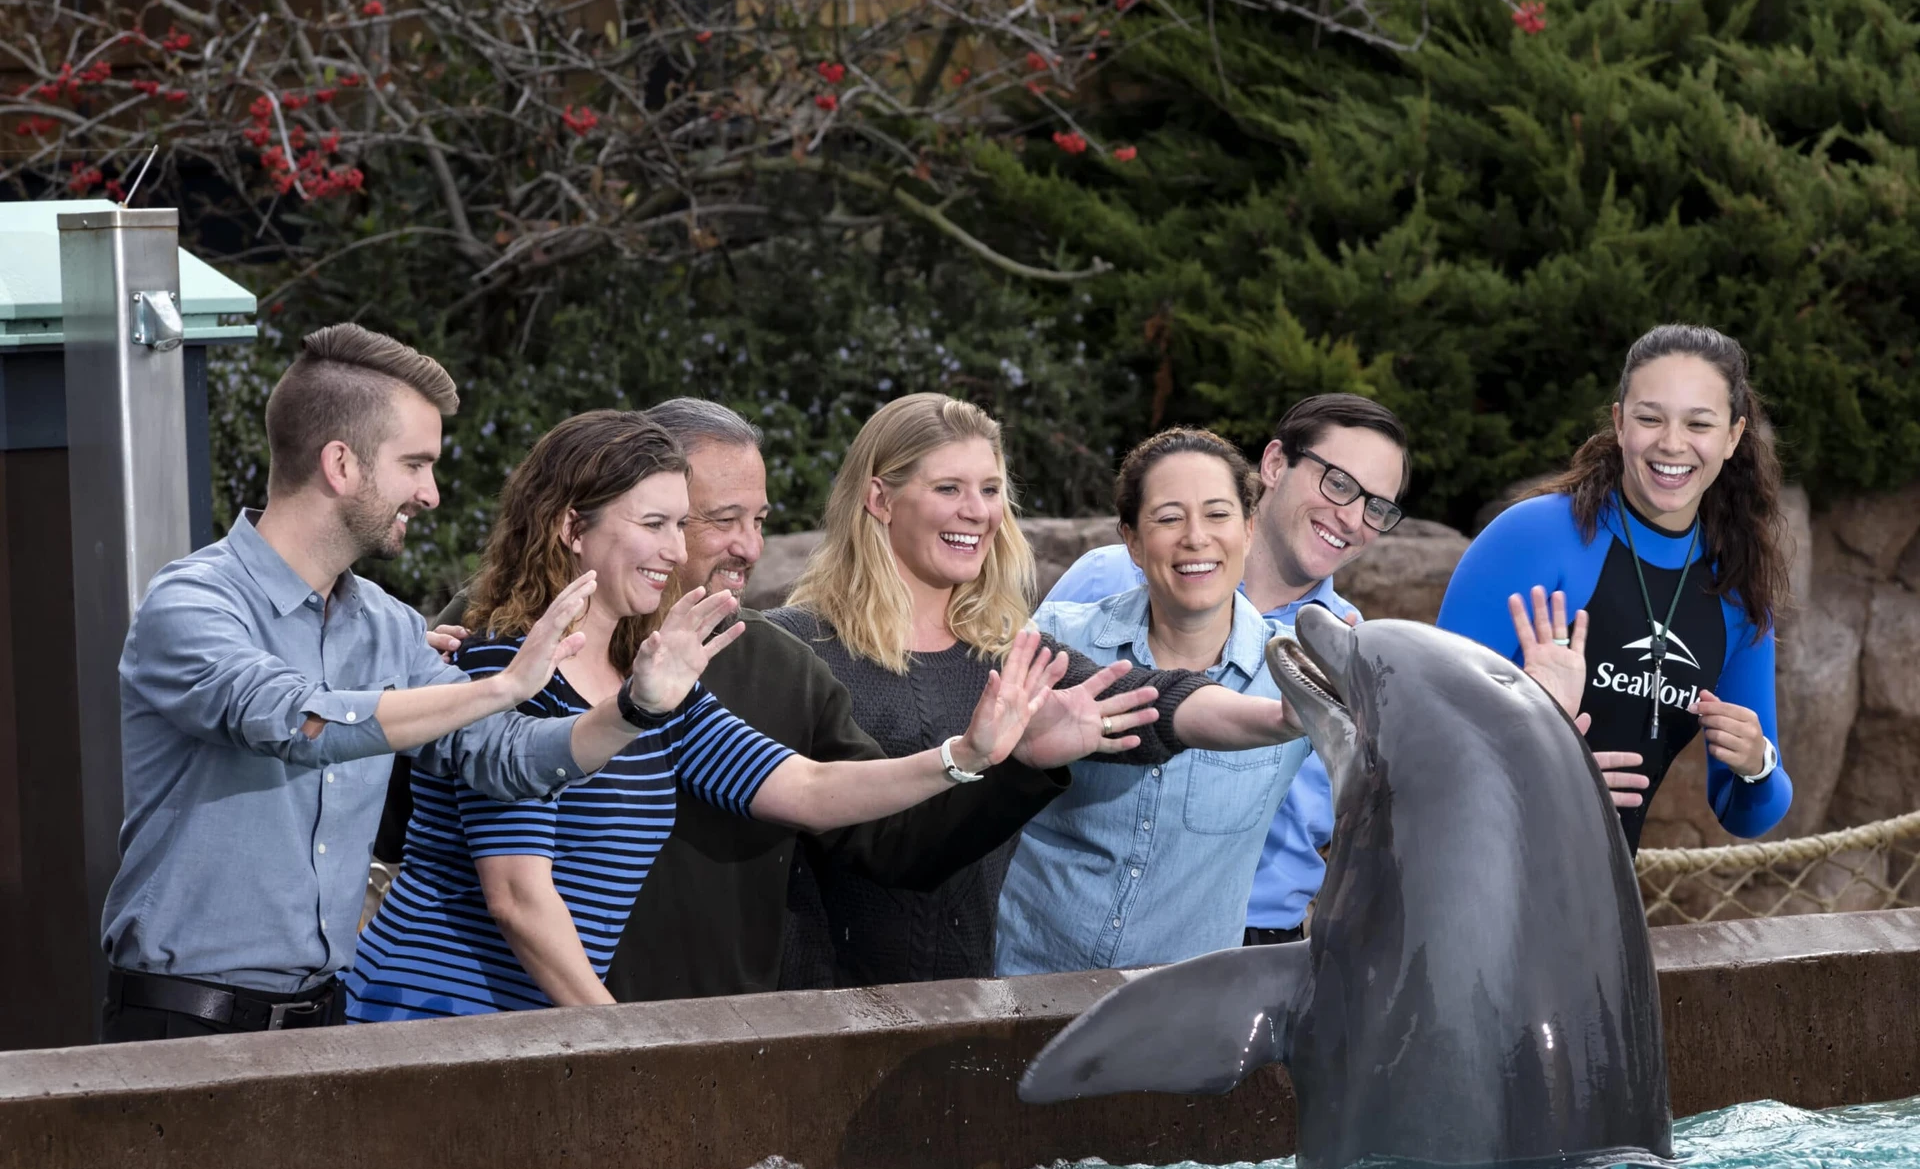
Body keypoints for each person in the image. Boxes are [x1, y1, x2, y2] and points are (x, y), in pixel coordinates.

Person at [343, 412, 1075, 1019]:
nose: (675, 549)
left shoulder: (659, 679)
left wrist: (968, 755)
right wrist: (627, 1043)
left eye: (682, 524)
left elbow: (813, 791)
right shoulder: (502, 665)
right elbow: (516, 899)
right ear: (573, 527)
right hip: (436, 1018)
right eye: (657, 523)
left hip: (554, 1032)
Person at [101, 324, 685, 1040]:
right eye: (415, 464)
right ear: (341, 464)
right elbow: (296, 723)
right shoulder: (191, 602)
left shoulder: (388, 626)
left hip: (329, 1020)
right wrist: (500, 686)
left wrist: (634, 708)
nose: (432, 494)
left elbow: (506, 761)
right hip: (183, 1022)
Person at [604, 400, 1146, 1002]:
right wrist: (599, 1016)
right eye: (721, 519)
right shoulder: (513, 657)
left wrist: (986, 762)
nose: (751, 549)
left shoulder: (758, 658)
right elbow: (520, 887)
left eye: (758, 520)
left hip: (730, 1029)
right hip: (555, 1027)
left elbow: (856, 820)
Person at [769, 393, 1309, 989]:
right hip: (819, 1018)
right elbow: (882, 849)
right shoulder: (795, 648)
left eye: (991, 489)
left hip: (965, 1014)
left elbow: (1158, 702)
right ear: (879, 498)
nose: (976, 511)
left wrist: (1284, 716)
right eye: (949, 488)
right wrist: (990, 762)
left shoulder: (1006, 650)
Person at [1046, 393, 1406, 945]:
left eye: (1377, 508)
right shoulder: (1107, 580)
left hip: (1252, 942)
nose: (1353, 518)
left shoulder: (1347, 653)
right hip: (1064, 925)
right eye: (1338, 483)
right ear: (1274, 464)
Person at [1438, 322, 1793, 850]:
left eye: (1699, 423)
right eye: (1650, 418)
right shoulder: (1532, 538)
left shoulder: (1735, 592)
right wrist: (1542, 775)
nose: (1672, 443)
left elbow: (1745, 816)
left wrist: (1757, 764)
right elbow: (1426, 729)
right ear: (1620, 421)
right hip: (1466, 885)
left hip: (1595, 904)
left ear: (1733, 437)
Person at [997, 430, 1312, 974]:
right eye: (1168, 518)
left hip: (1178, 1015)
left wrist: (1512, 699)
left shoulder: (1297, 672)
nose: (1196, 538)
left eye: (1217, 514)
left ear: (1249, 528)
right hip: (1020, 987)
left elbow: (1414, 769)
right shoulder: (1055, 638)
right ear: (1133, 542)